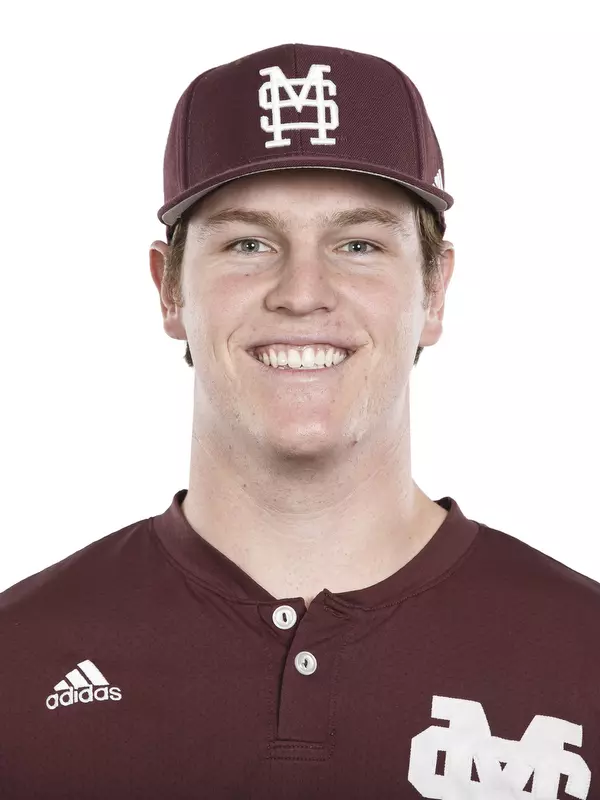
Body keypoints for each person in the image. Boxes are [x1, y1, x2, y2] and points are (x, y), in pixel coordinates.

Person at [1, 42, 598, 798]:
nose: (302, 291)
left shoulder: (585, 655)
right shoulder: (16, 663)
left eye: (358, 244)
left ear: (435, 291)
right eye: (249, 243)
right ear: (169, 292)